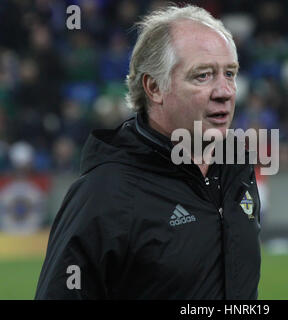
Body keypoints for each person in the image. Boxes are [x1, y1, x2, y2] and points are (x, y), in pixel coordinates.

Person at [35, 5, 261, 300]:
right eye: (203, 75)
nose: (225, 91)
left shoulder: (238, 171)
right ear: (154, 87)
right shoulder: (105, 193)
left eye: (229, 73)